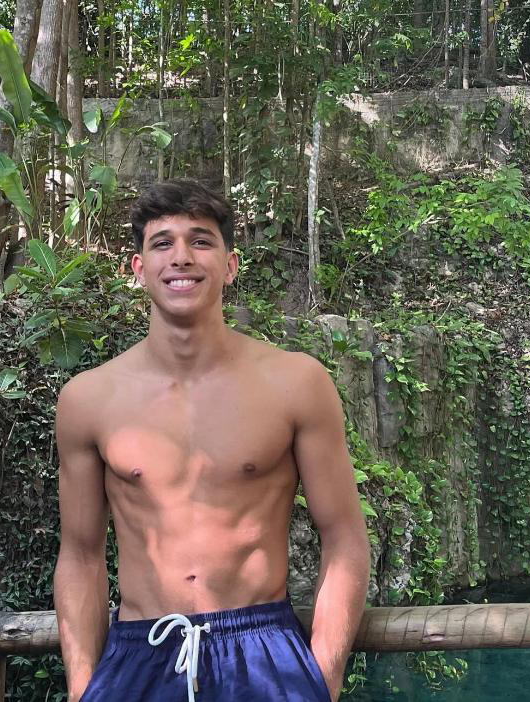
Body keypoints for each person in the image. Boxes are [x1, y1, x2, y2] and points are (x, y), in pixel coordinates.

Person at [53, 180, 371, 702]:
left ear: (230, 265)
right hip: (138, 655)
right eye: (163, 243)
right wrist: (82, 687)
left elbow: (345, 537)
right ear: (139, 269)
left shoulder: (296, 383)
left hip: (264, 650)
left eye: (201, 241)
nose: (181, 256)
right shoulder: (89, 399)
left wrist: (323, 678)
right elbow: (81, 554)